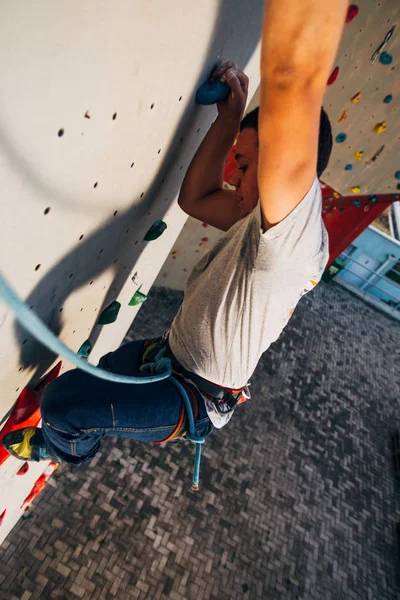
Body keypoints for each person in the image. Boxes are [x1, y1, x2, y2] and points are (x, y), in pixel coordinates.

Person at [4, 0, 348, 470]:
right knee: (98, 375)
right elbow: (198, 198)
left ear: (281, 172)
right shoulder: (257, 223)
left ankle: (60, 449)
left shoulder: (291, 241)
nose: (235, 174)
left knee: (64, 409)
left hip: (189, 398)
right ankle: (75, 413)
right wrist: (228, 122)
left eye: (245, 166)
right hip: (166, 353)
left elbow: (294, 81)